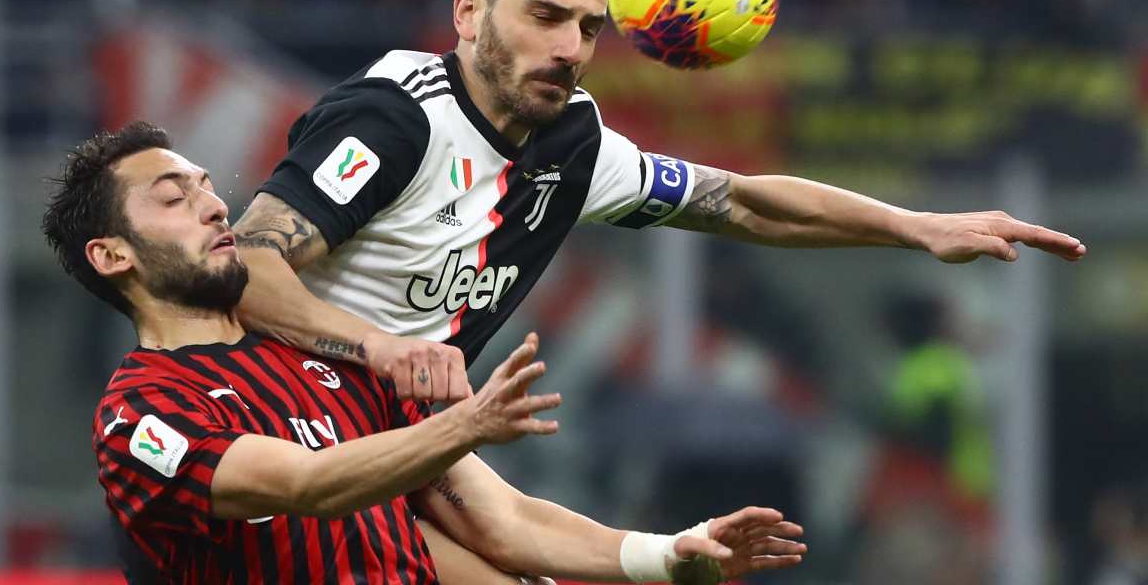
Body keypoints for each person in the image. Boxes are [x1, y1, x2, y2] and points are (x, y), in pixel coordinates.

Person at [232, 0, 1086, 400]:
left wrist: (914, 227)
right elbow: (248, 263)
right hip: (276, 425)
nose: (569, 48)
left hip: (403, 440)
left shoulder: (572, 139)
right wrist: (382, 350)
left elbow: (742, 203)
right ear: (468, 13)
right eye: (543, 17)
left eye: (588, 28)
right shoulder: (393, 119)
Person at [41, 122, 808, 583]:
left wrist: (669, 555)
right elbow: (308, 485)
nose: (212, 204)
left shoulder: (333, 359)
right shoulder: (140, 414)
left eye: (207, 186)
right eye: (173, 199)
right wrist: (463, 425)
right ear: (113, 256)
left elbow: (504, 520)